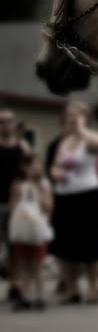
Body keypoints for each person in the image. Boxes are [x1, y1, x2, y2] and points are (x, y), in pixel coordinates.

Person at [48, 101, 98, 304]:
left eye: (76, 114)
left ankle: (93, 288)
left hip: (87, 195)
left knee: (91, 244)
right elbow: (55, 165)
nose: (72, 117)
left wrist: (81, 128)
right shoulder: (64, 142)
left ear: (85, 117)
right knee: (66, 244)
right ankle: (71, 288)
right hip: (65, 196)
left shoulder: (91, 137)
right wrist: (55, 173)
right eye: (69, 114)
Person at [7, 151, 54, 311]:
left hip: (38, 229)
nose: (34, 168)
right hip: (23, 228)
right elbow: (13, 206)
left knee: (37, 264)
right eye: (30, 165)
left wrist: (38, 191)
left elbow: (48, 206)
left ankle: (40, 295)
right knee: (24, 263)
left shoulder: (44, 184)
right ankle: (25, 295)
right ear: (23, 167)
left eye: (37, 164)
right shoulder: (18, 185)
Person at [1, 109, 34, 304]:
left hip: (16, 202)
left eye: (8, 121)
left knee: (15, 246)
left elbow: (30, 169)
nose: (5, 125)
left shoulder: (22, 146)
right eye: (1, 121)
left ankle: (14, 284)